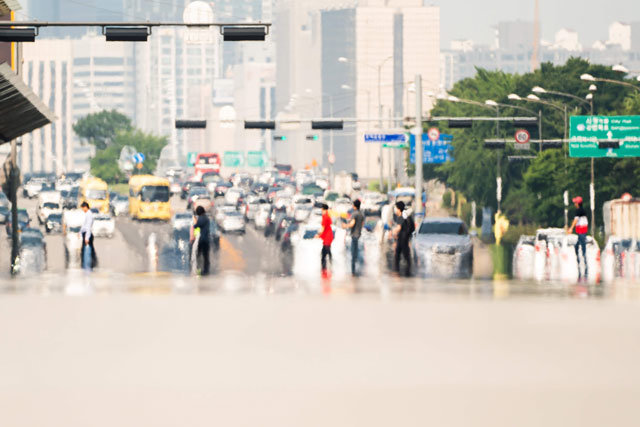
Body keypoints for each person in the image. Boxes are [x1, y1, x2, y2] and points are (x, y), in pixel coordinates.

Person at [567, 196, 589, 279]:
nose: (574, 204)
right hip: (581, 232)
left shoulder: (579, 211)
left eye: (575, 203)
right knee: (576, 246)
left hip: (582, 232)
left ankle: (585, 265)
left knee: (582, 248)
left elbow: (575, 221)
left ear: (578, 203)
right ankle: (579, 262)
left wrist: (571, 229)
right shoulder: (582, 210)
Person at [342, 199, 365, 276]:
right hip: (359, 235)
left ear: (354, 206)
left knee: (353, 254)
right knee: (359, 254)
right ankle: (359, 271)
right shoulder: (361, 214)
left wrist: (345, 226)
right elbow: (362, 224)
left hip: (354, 236)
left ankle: (353, 272)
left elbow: (352, 224)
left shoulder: (354, 214)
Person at [392, 201, 415, 276]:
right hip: (404, 239)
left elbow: (399, 228)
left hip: (402, 239)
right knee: (403, 256)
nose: (395, 210)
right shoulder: (404, 216)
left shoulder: (401, 217)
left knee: (401, 256)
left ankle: (401, 272)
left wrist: (393, 232)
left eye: (395, 208)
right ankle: (405, 272)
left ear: (398, 209)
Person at [191, 206, 211, 275]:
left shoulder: (202, 218)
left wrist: (194, 222)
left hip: (203, 240)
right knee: (205, 256)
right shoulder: (205, 217)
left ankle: (201, 269)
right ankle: (205, 270)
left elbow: (196, 226)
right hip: (205, 240)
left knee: (199, 255)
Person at [80, 201, 97, 269]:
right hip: (86, 234)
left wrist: (87, 237)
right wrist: (80, 232)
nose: (82, 209)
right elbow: (84, 225)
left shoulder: (89, 214)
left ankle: (90, 264)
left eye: (83, 208)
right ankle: (92, 263)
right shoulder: (87, 214)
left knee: (85, 250)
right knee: (90, 249)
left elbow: (88, 227)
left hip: (87, 235)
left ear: (85, 207)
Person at [317, 203, 333, 271]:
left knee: (324, 254)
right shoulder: (328, 216)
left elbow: (323, 228)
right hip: (328, 236)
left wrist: (318, 235)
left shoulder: (325, 216)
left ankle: (325, 268)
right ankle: (329, 266)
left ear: (322, 209)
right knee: (327, 252)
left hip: (327, 237)